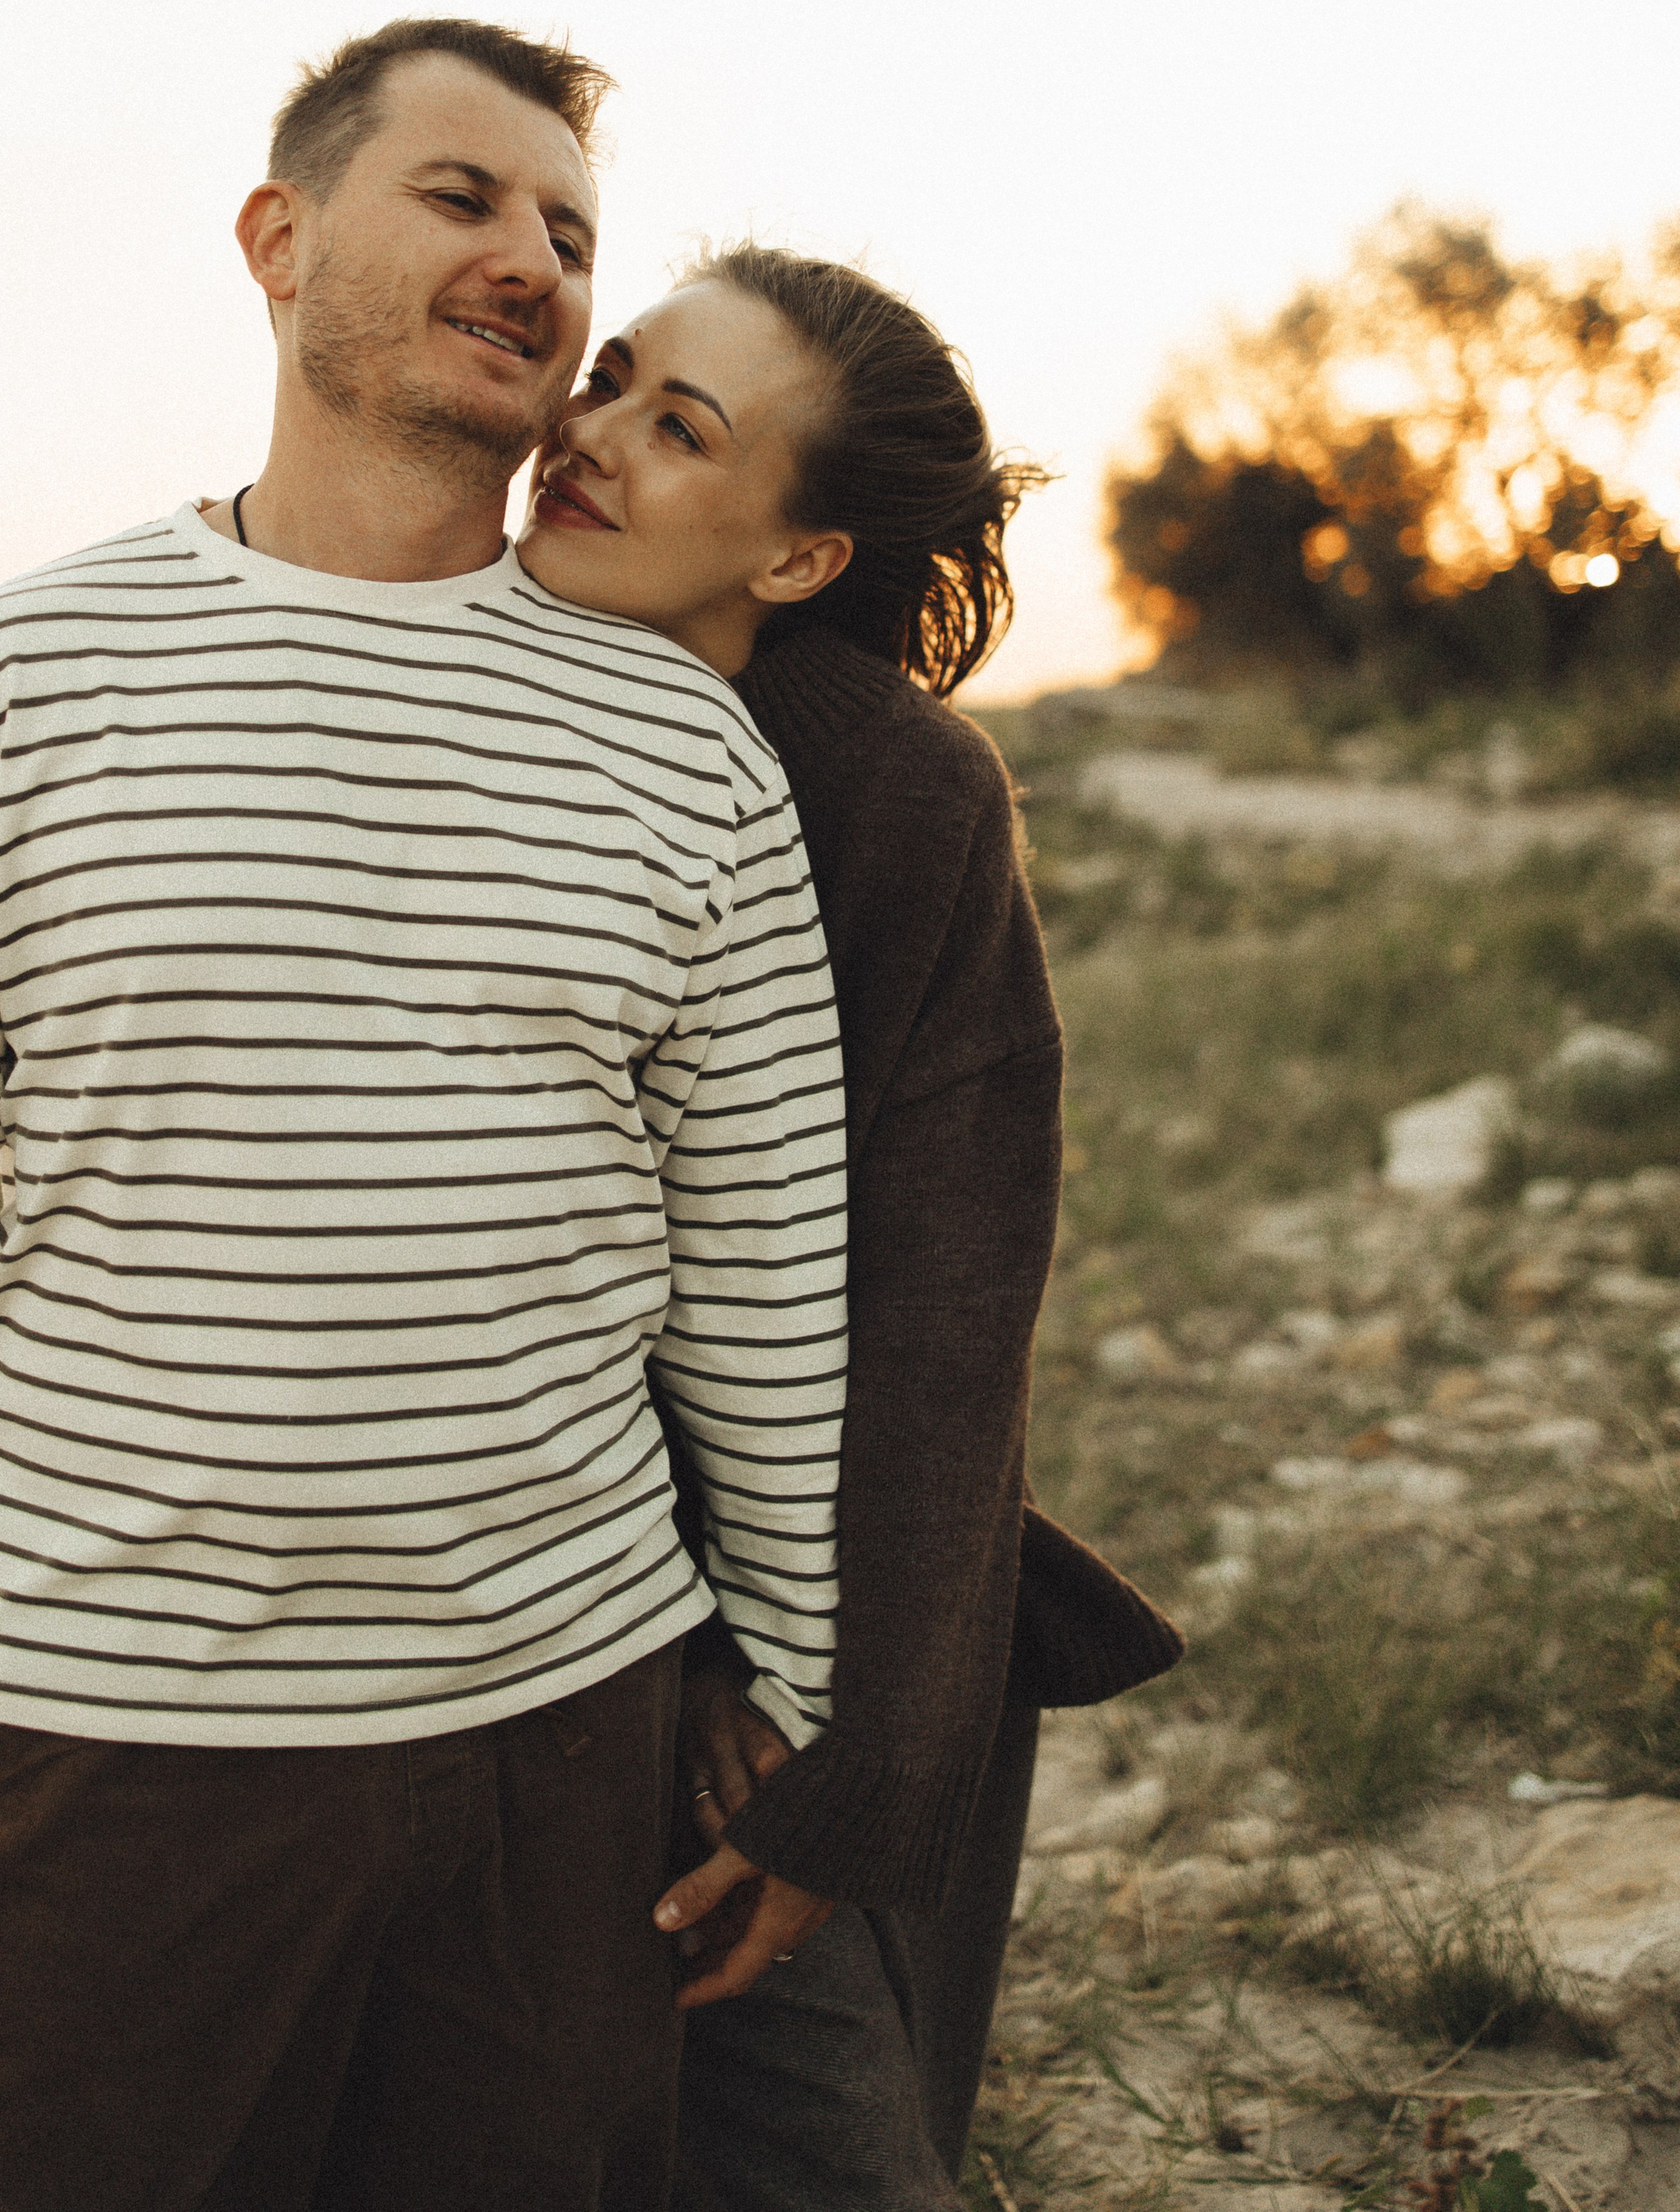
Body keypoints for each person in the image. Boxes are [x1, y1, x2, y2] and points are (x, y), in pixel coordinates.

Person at [0, 27, 852, 2212]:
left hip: (565, 1742)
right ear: (280, 239)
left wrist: (803, 1722)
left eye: (569, 232)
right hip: (122, 1753)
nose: (532, 260)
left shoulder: (686, 752)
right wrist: (114, 1438)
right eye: (463, 197)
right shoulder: (5, 686)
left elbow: (760, 1277)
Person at [516, 245, 1183, 2210]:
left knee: (811, 2153)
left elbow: (946, 1315)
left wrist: (853, 1764)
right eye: (614, 377)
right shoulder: (454, 692)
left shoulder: (893, 797)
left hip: (780, 1668)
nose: (594, 435)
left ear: (801, 558)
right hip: (469, 1631)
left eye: (678, 426)